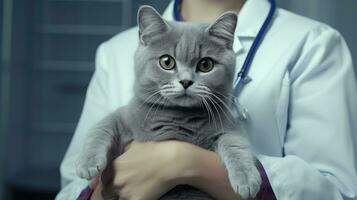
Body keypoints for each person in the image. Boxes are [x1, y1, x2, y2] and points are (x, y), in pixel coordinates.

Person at [55, 0, 357, 199]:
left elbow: (337, 192)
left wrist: (184, 163)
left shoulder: (313, 42)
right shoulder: (115, 51)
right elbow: (73, 185)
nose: (185, 79)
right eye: (169, 64)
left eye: (204, 65)